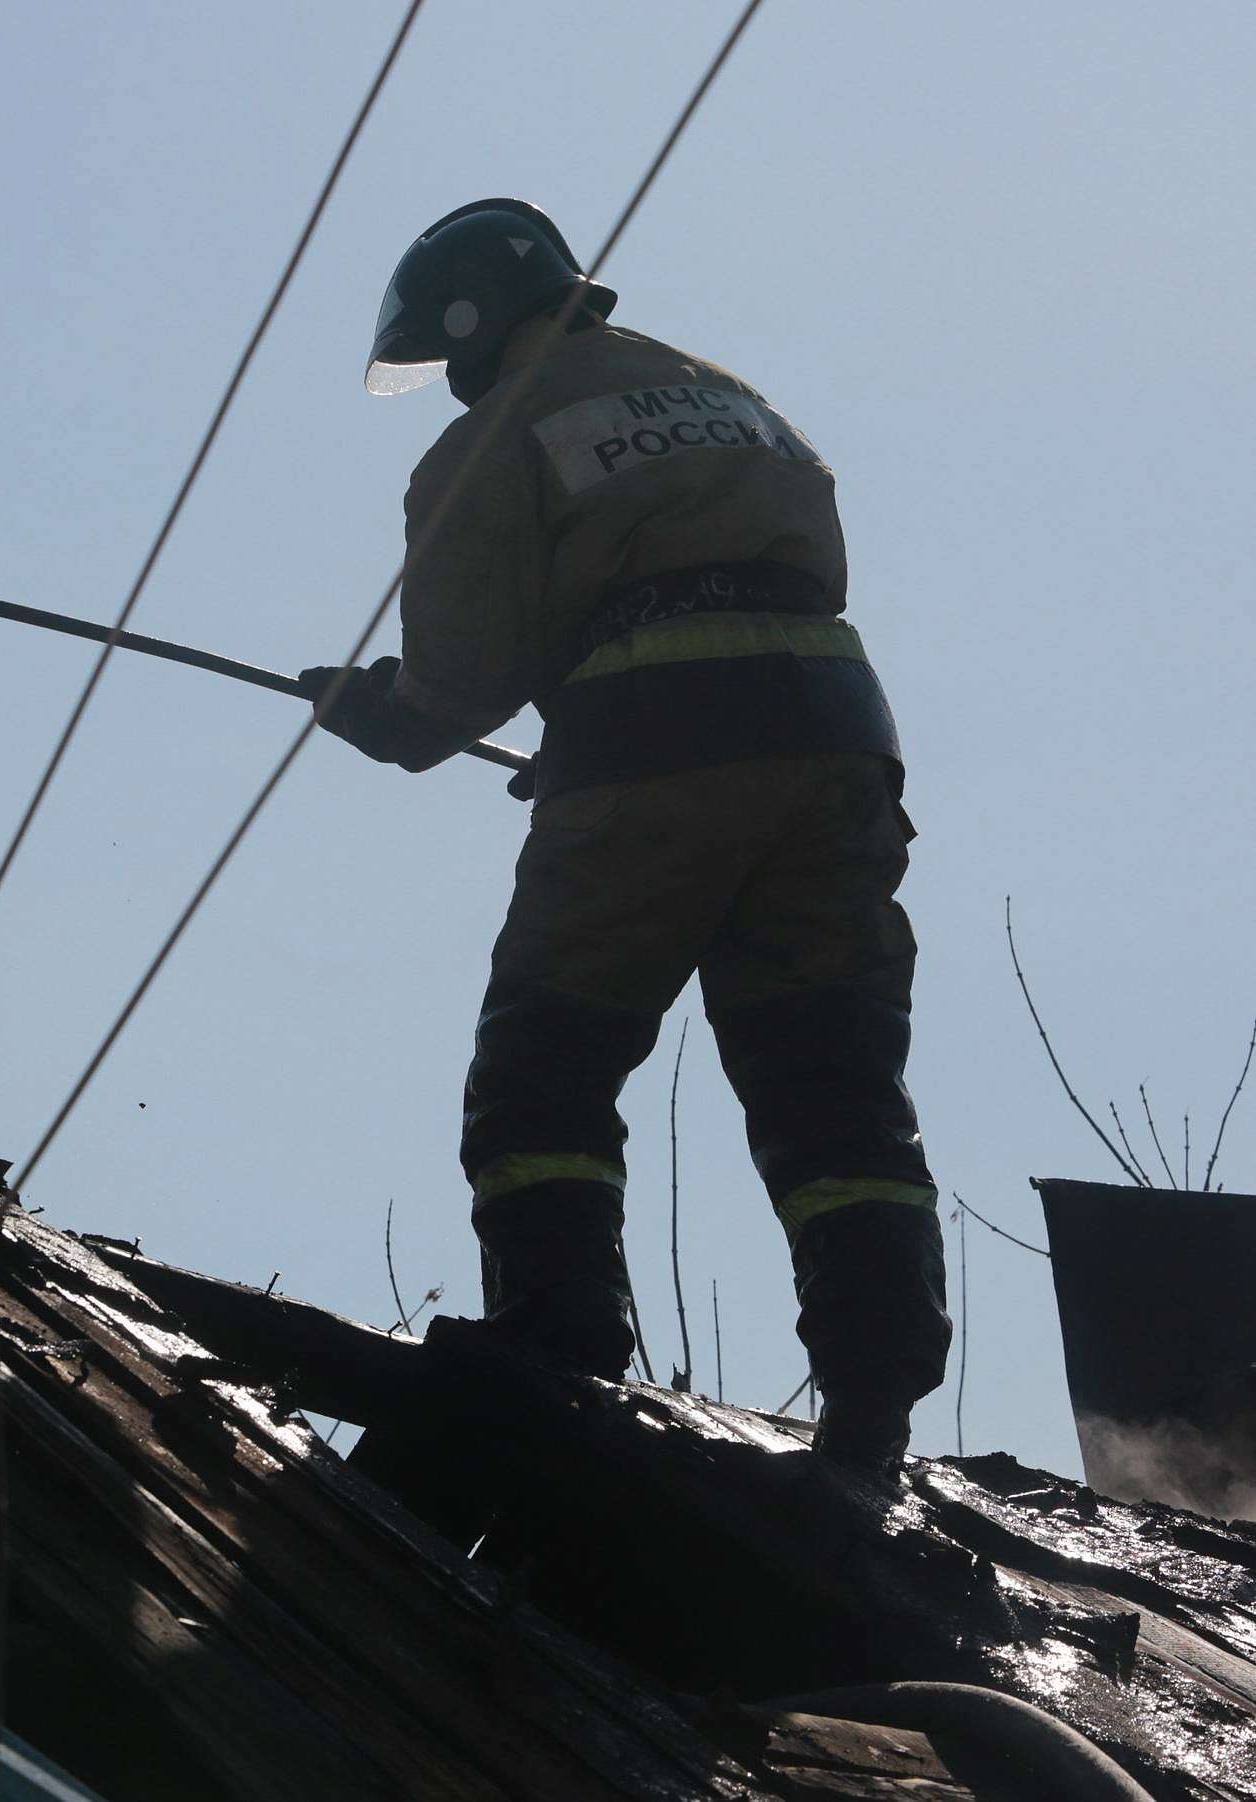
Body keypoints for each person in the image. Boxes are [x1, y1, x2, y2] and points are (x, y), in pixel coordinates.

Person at [298, 198, 949, 1475]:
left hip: (653, 760)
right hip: (836, 737)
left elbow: (453, 688)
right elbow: (741, 591)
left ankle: (565, 1360)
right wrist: (598, 726)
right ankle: (876, 1399)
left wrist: (378, 712)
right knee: (832, 1074)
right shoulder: (724, 392)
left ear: (474, 320)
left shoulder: (491, 438)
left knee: (545, 1065)